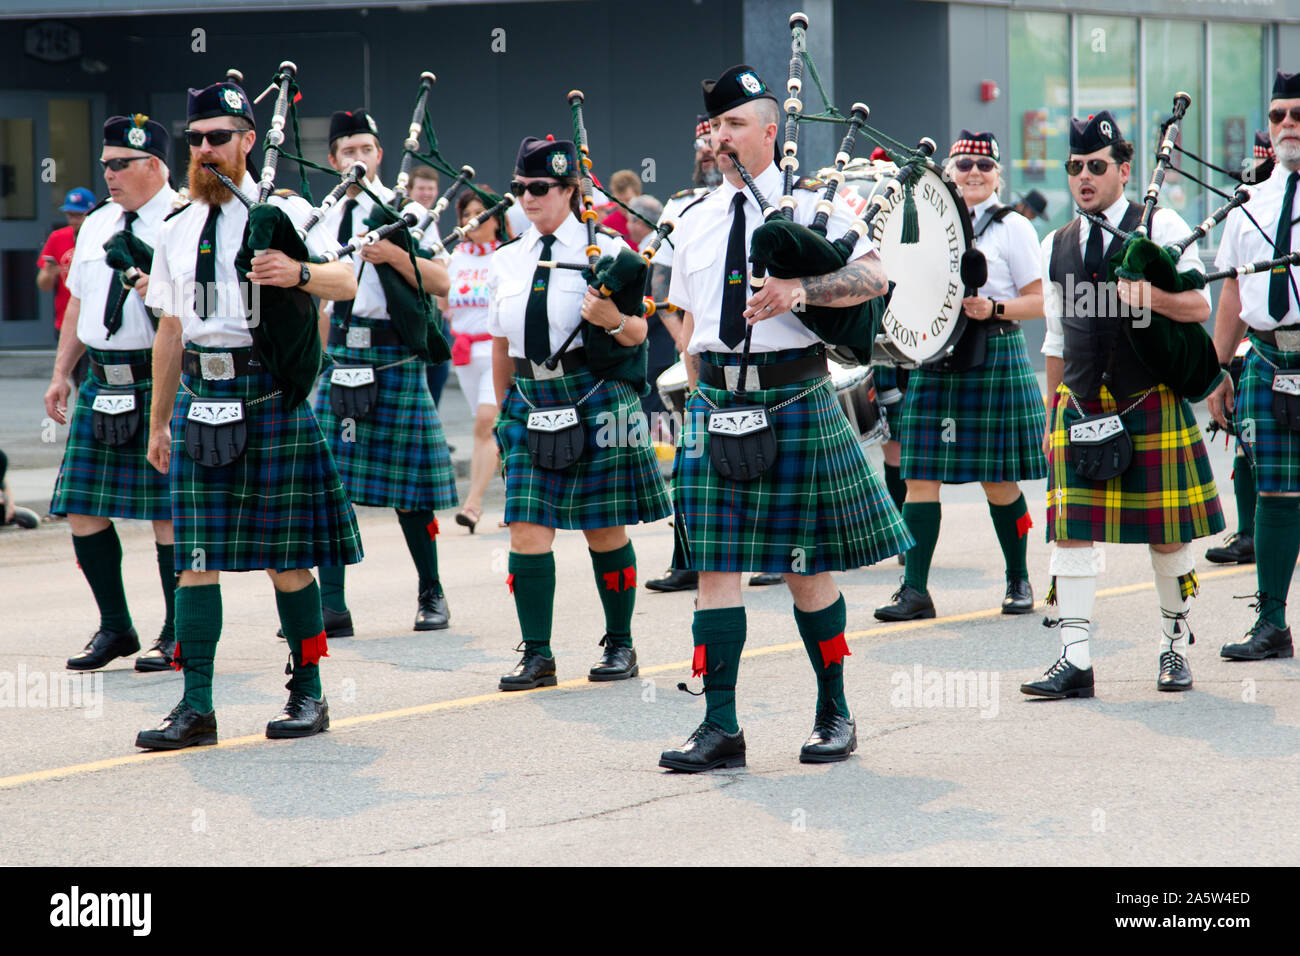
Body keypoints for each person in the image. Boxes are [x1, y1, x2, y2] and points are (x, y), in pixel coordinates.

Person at [658, 65, 911, 772]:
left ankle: (834, 711)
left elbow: (873, 279)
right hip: (717, 404)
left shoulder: (814, 210)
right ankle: (720, 726)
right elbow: (692, 326)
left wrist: (800, 291)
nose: (723, 136)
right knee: (714, 569)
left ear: (770, 130)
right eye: (716, 125)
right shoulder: (692, 217)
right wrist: (699, 402)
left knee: (807, 568)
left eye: (737, 123)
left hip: (795, 397)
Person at [139, 77, 362, 749]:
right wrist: (157, 422)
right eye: (197, 139)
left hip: (266, 394)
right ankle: (196, 706)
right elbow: (171, 330)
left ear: (247, 141)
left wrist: (294, 273)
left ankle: (309, 693)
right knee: (193, 558)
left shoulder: (280, 211)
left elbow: (344, 282)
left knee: (286, 559)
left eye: (219, 138)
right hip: (202, 404)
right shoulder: (176, 225)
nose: (206, 150)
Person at [1023, 110, 1221, 700]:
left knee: (1166, 536)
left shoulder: (1159, 224)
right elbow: (1056, 336)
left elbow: (1200, 308)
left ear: (1124, 170)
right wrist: (1050, 408)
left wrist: (1152, 296)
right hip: (1079, 404)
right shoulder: (1054, 244)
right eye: (1075, 167)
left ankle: (1174, 647)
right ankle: (1074, 659)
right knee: (1071, 536)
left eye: (1096, 166)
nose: (1084, 177)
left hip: (1146, 401)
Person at [488, 135, 672, 691]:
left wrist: (610, 315)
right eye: (520, 188)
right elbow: (502, 344)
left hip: (592, 395)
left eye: (540, 188)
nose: (527, 198)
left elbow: (640, 332)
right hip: (529, 400)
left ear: (570, 190)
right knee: (525, 531)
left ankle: (620, 645)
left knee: (603, 529)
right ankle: (537, 654)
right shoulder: (507, 258)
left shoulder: (609, 251)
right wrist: (503, 414)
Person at [874, 130, 1047, 622]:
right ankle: (914, 591)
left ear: (998, 174)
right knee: (919, 475)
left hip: (993, 348)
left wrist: (994, 306)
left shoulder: (1013, 227)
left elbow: (1040, 301)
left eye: (984, 167)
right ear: (948, 170)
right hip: (935, 356)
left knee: (998, 482)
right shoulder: (926, 219)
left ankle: (1018, 578)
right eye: (964, 165)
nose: (973, 174)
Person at [44, 115, 181, 674]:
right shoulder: (98, 223)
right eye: (104, 164)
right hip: (102, 380)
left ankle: (178, 632)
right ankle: (117, 626)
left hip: (161, 376)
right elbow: (78, 302)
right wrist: (61, 373)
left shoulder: (183, 221)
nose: (108, 174)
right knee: (81, 507)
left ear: (154, 165)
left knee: (168, 514)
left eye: (119, 164)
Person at [313, 108, 457, 635]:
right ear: (333, 160)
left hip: (394, 358)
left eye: (366, 150)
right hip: (342, 361)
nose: (357, 158)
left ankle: (431, 593)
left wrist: (394, 254)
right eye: (347, 151)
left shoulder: (409, 212)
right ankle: (332, 606)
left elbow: (441, 282)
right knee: (327, 485)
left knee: (412, 492)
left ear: (380, 156)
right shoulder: (320, 217)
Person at [1208, 70, 1300, 663]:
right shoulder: (1250, 204)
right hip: (1268, 359)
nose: (1287, 125)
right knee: (1275, 492)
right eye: (1278, 117)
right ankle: (1271, 623)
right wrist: (1219, 369)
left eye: (1297, 113)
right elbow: (1233, 294)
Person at [643, 115, 720, 595]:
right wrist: (679, 334)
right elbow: (659, 279)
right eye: (701, 148)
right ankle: (686, 560)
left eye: (714, 144)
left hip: (753, 347)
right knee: (693, 459)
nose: (706, 154)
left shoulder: (767, 199)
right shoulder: (680, 206)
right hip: (696, 348)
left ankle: (777, 555)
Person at [438, 185, 508, 533]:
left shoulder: (507, 256)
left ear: (496, 219)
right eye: (465, 214)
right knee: (494, 431)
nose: (471, 220)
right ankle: (520, 497)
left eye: (478, 213)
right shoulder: (454, 259)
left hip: (497, 352)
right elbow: (442, 303)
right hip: (463, 354)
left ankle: (473, 504)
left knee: (485, 424)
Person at [39, 187, 97, 386]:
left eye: (78, 215)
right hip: (66, 319)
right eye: (69, 215)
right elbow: (43, 285)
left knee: (90, 377)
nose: (73, 220)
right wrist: (49, 273)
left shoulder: (99, 237)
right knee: (76, 378)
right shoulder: (58, 238)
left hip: (93, 319)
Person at [597, 169, 642, 239]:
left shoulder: (649, 222)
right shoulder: (608, 224)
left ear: (638, 195)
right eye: (619, 200)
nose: (623, 205)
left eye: (628, 200)